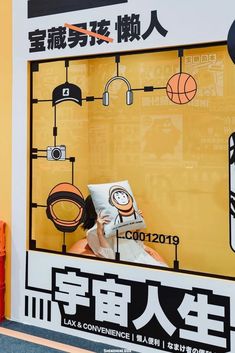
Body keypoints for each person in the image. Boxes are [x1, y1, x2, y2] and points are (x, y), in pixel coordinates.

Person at [82, 195, 167, 267]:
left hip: (143, 260)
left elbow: (138, 244)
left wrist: (138, 224)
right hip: (127, 268)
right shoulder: (92, 233)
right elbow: (109, 259)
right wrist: (100, 233)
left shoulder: (118, 223)